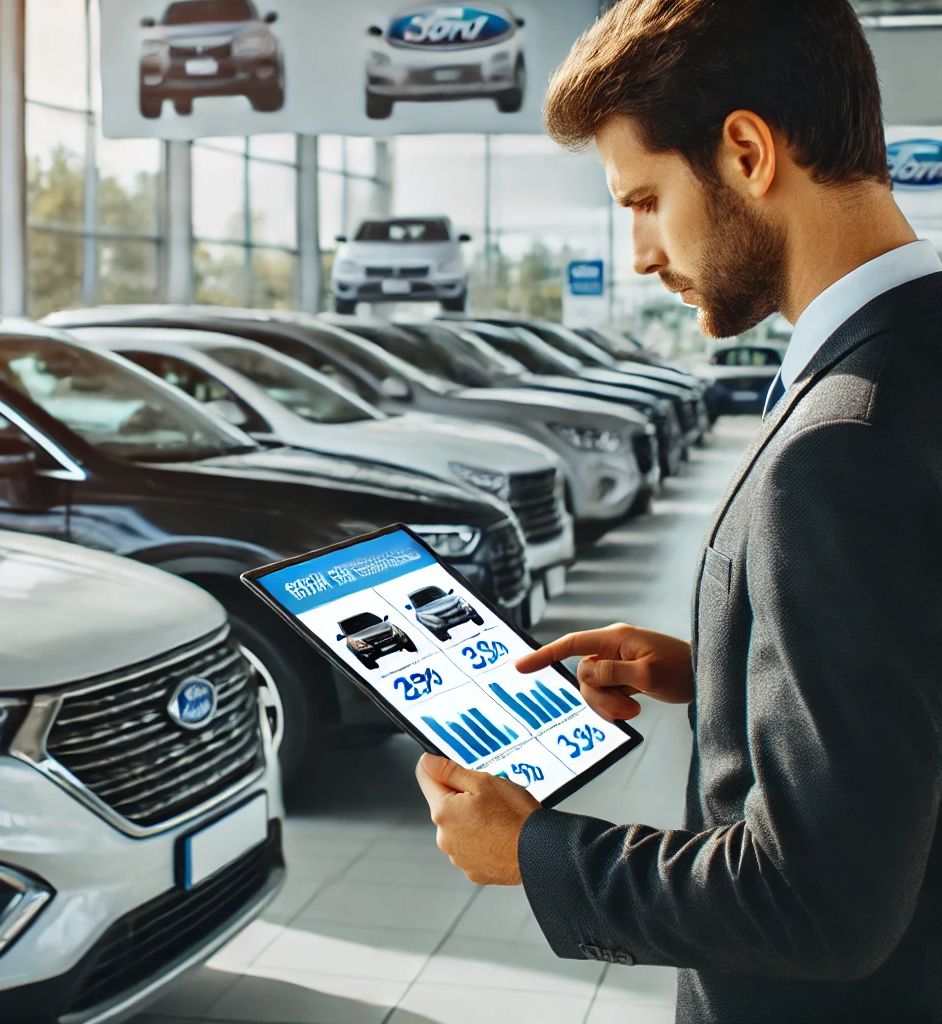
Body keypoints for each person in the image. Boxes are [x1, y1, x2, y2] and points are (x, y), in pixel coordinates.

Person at [414, 1, 942, 1020]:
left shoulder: (838, 444)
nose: (641, 254)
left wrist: (534, 850)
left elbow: (818, 903)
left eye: (645, 200)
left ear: (745, 151)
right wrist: (726, 670)